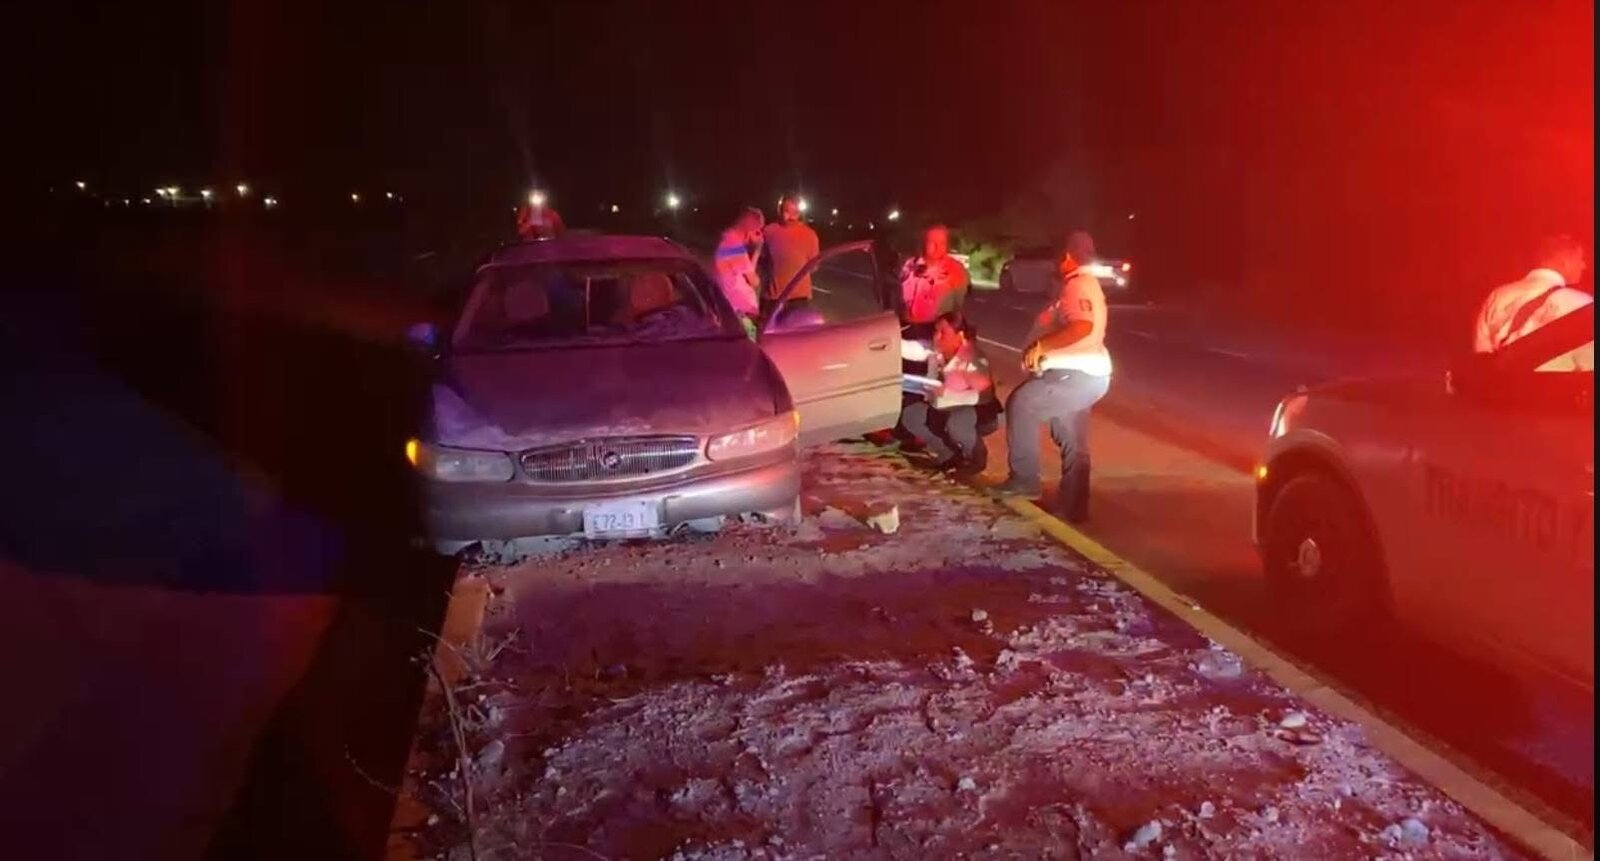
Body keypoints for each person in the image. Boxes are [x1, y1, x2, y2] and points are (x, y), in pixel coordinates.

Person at [995, 230, 1112, 523]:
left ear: (1068, 257)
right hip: (1085, 374)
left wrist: (1041, 345)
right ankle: (1074, 507)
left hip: (1075, 374)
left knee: (1022, 404)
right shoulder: (1084, 284)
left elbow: (1082, 326)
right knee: (1071, 436)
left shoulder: (1078, 285)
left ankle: (1024, 480)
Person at [900, 312, 1000, 474]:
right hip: (942, 406)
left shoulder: (972, 359)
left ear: (959, 335)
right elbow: (910, 349)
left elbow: (984, 396)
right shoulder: (936, 352)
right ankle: (948, 454)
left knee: (957, 423)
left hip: (975, 411)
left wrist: (947, 394)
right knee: (911, 415)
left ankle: (976, 456)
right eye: (935, 331)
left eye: (943, 333)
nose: (936, 337)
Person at [1474, 234, 1591, 355]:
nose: (1584, 266)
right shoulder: (1580, 303)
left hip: (1502, 373)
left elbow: (1481, 352)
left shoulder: (1497, 296)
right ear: (1565, 262)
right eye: (1581, 259)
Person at [899, 224, 971, 324]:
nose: (937, 247)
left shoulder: (956, 269)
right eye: (932, 242)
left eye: (942, 243)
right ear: (924, 243)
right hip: (905, 328)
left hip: (935, 332)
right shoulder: (909, 265)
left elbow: (958, 308)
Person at [761, 194, 821, 309]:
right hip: (773, 297)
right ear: (780, 211)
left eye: (795, 212)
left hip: (799, 299)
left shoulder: (810, 234)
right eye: (787, 211)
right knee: (767, 327)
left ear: (799, 214)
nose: (791, 216)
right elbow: (761, 258)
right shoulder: (769, 231)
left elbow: (814, 265)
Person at [713, 207, 766, 337]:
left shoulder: (729, 242)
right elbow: (754, 281)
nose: (759, 234)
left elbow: (747, 273)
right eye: (757, 230)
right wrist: (758, 248)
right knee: (749, 349)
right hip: (742, 312)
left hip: (735, 309)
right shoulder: (734, 246)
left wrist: (757, 251)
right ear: (750, 229)